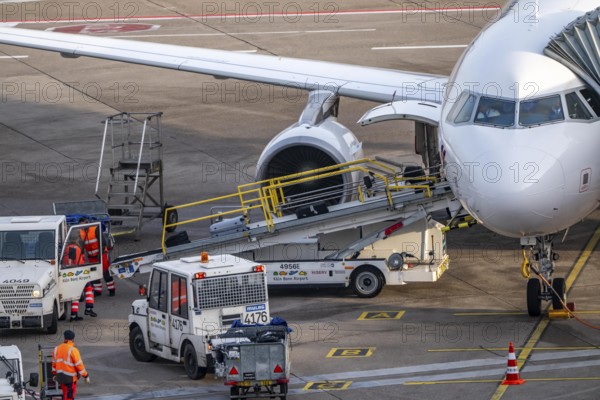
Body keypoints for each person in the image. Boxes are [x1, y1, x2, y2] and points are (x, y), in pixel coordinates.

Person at [52, 330, 90, 400]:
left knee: (65, 394)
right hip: (70, 378)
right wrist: (85, 375)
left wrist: (54, 374)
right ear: (72, 339)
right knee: (70, 396)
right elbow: (79, 365)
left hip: (60, 377)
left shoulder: (56, 349)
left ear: (64, 338)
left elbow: (54, 364)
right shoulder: (73, 350)